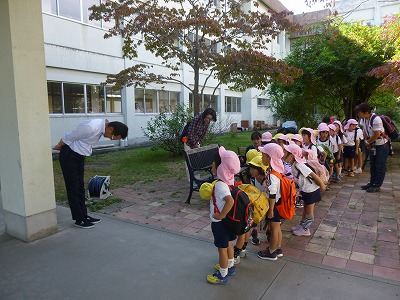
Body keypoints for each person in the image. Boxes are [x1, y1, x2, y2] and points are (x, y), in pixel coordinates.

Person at [53, 119, 128, 228]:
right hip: (69, 155)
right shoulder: (90, 127)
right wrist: (58, 146)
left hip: (79, 155)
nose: (109, 138)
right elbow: (68, 137)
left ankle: (84, 215)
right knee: (73, 187)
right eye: (112, 137)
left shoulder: (103, 126)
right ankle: (79, 220)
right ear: (111, 129)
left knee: (80, 187)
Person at [206, 146, 240, 285]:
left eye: (215, 162)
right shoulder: (230, 180)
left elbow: (230, 201)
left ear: (220, 167)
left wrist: (220, 215)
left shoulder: (220, 185)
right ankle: (230, 266)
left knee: (222, 249)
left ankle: (222, 274)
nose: (212, 164)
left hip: (220, 223)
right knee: (229, 244)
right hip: (229, 221)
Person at [283, 143, 326, 237]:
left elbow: (312, 175)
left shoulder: (299, 165)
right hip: (306, 190)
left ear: (291, 155)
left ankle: (306, 229)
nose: (283, 153)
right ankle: (302, 225)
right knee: (305, 209)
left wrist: (322, 185)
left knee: (309, 211)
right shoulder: (294, 164)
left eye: (285, 152)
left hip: (311, 190)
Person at [257, 143, 285, 261]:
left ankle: (271, 251)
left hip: (273, 204)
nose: (262, 157)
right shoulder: (276, 170)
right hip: (277, 203)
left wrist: (271, 211)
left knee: (274, 228)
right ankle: (277, 248)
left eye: (263, 155)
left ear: (269, 157)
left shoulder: (272, 175)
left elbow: (272, 192)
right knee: (277, 227)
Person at [355, 103, 390, 193]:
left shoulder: (376, 119)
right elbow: (365, 131)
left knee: (379, 166)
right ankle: (372, 183)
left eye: (359, 112)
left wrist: (368, 142)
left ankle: (377, 185)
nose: (358, 114)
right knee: (372, 165)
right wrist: (366, 140)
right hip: (373, 145)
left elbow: (377, 134)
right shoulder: (364, 119)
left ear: (366, 112)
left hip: (382, 145)